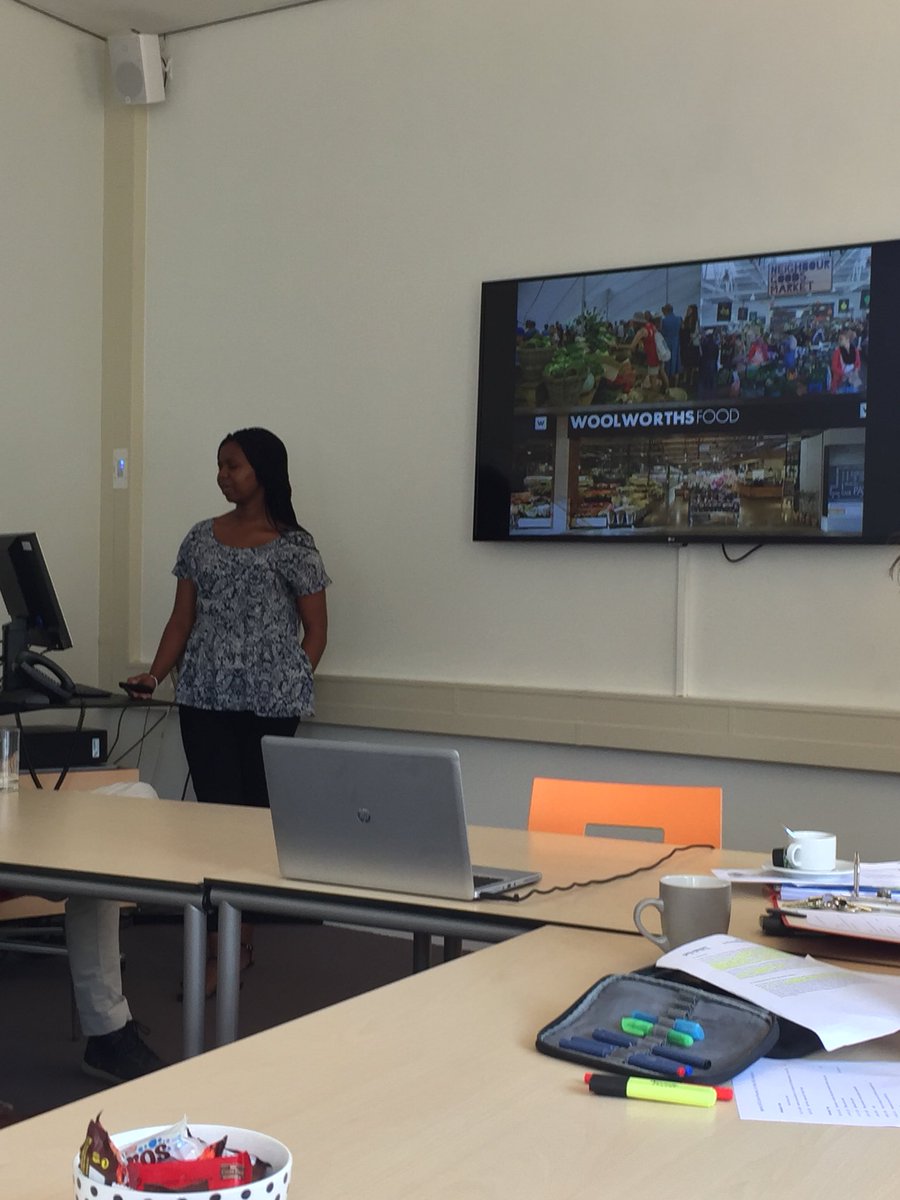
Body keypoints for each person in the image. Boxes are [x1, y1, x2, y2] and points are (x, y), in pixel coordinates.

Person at [129, 427, 330, 992]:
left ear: (263, 471)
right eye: (219, 465)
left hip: (271, 705)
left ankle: (239, 942)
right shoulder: (200, 538)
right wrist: (155, 674)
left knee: (255, 823)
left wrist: (288, 677)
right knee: (216, 821)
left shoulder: (295, 546)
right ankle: (219, 945)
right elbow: (181, 620)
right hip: (204, 697)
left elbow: (316, 631)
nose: (223, 476)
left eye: (233, 466)